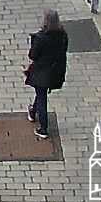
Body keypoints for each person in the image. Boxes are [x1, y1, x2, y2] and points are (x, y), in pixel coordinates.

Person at [26, 10, 71, 138]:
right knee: (41, 94)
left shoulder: (41, 38)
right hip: (55, 71)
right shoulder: (62, 35)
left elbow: (33, 55)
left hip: (42, 72)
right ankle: (32, 111)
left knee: (42, 98)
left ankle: (43, 128)